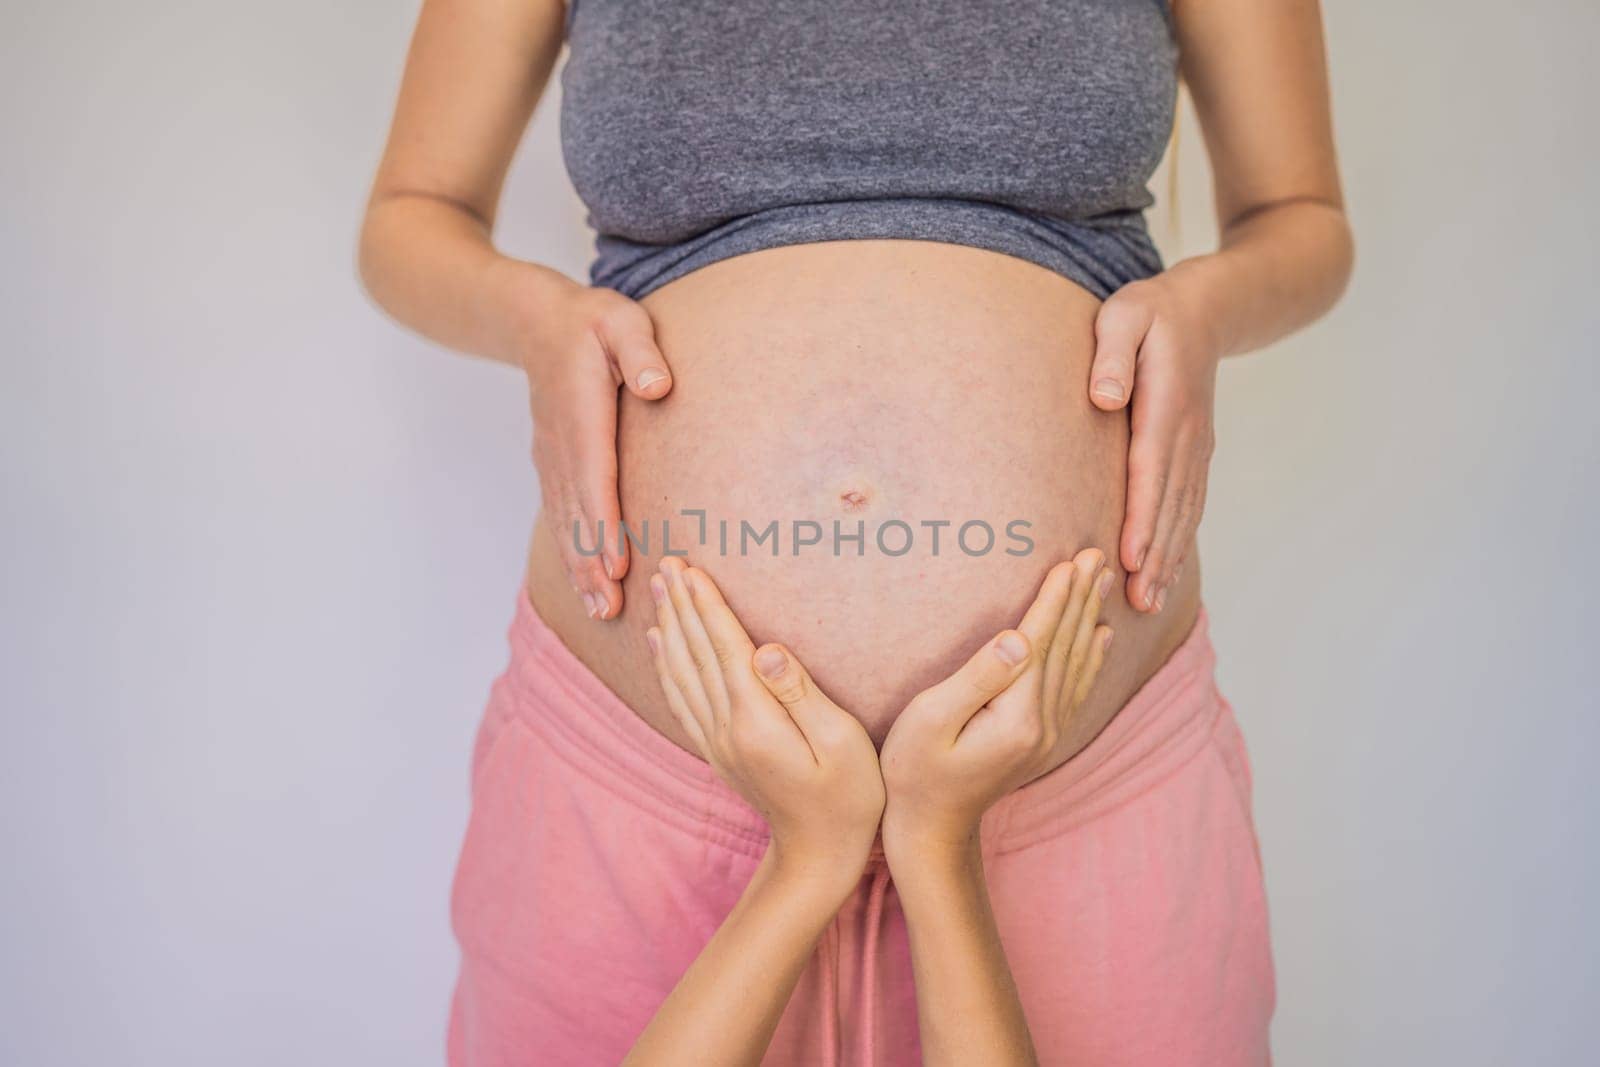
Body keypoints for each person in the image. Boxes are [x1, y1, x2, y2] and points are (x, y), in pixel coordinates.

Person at [358, 0, 1352, 1062]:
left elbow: (1299, 217)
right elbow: (411, 216)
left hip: (1075, 763)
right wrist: (532, 318)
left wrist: (1205, 306)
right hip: (645, 768)